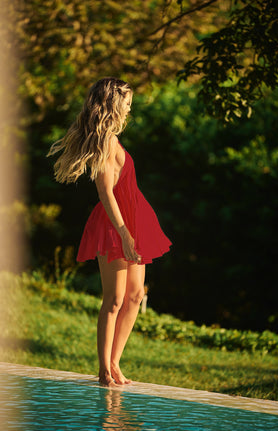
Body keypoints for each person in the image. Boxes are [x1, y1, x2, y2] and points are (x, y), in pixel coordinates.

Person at [47, 77, 172, 387]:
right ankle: (104, 369)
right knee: (114, 298)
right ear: (113, 105)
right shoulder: (106, 142)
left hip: (135, 219)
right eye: (126, 105)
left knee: (135, 295)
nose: (129, 110)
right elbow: (105, 192)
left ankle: (115, 363)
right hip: (116, 224)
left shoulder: (113, 139)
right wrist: (124, 234)